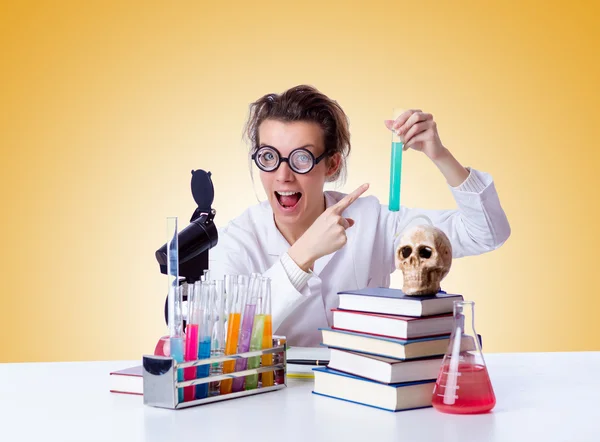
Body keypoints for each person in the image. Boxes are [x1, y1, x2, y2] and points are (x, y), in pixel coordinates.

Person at [209, 85, 510, 346]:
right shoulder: (237, 241)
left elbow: (485, 233)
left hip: (365, 393)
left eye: (301, 158)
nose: (283, 175)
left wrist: (440, 154)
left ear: (332, 165)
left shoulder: (372, 222)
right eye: (269, 157)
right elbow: (222, 338)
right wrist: (302, 256)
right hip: (276, 399)